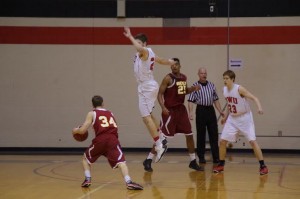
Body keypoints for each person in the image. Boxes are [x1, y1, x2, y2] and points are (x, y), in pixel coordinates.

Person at [123, 27, 175, 163]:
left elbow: (141, 50)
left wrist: (130, 36)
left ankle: (159, 145)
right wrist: (169, 62)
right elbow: (159, 60)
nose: (137, 45)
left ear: (145, 44)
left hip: (147, 87)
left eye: (140, 43)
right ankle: (162, 137)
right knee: (150, 115)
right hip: (145, 87)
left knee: (146, 118)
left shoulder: (145, 51)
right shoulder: (143, 54)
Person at [142, 58, 203, 172]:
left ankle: (193, 161)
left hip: (181, 110)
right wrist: (163, 107)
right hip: (169, 111)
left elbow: (183, 91)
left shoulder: (183, 77)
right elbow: (160, 94)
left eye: (176, 65)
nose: (174, 66)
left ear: (180, 66)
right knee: (162, 138)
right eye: (172, 65)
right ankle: (148, 159)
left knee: (189, 134)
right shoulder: (168, 78)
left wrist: (193, 88)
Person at [72, 95, 143, 190]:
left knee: (85, 158)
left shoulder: (92, 113)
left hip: (100, 139)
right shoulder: (110, 113)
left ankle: (87, 179)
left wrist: (75, 130)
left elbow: (83, 130)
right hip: (112, 139)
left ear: (92, 105)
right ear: (103, 103)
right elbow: (116, 127)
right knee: (121, 162)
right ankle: (128, 181)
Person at [213, 70, 269, 175]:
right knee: (222, 141)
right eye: (224, 78)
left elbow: (254, 98)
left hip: (245, 118)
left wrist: (259, 108)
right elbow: (229, 104)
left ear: (232, 79)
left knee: (252, 141)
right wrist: (225, 118)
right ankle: (221, 164)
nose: (225, 80)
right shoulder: (224, 90)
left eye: (227, 78)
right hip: (232, 119)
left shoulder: (239, 89)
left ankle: (263, 166)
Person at [188, 67, 224, 164]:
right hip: (200, 110)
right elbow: (190, 101)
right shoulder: (195, 86)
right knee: (201, 134)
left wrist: (220, 111)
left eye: (205, 73)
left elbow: (216, 100)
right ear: (198, 74)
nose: (203, 75)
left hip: (210, 110)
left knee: (214, 134)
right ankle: (201, 156)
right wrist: (190, 113)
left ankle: (216, 157)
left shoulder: (211, 85)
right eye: (201, 73)